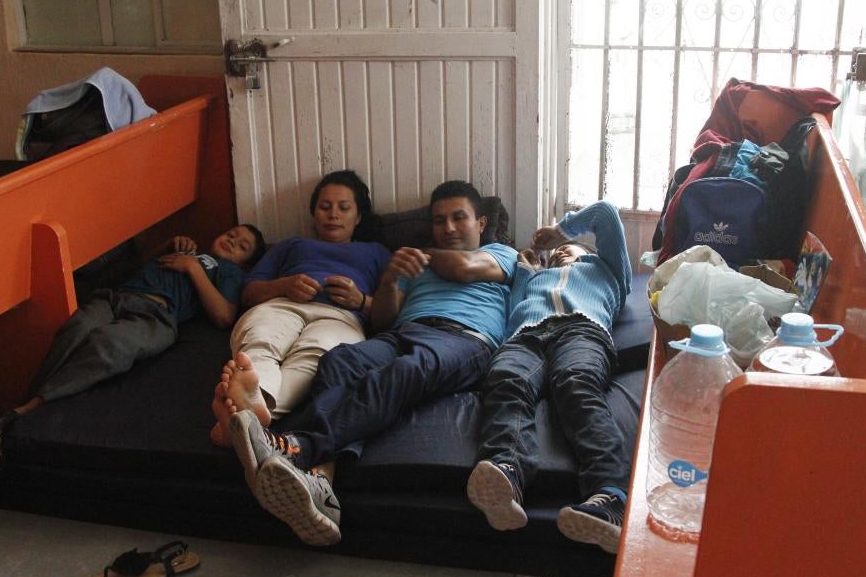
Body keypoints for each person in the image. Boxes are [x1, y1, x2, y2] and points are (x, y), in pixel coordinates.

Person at [223, 180, 517, 546]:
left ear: (482, 223)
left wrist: (417, 254)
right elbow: (381, 321)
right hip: (403, 332)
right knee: (339, 362)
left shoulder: (501, 253)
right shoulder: (412, 266)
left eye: (459, 218)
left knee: (404, 373)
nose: (449, 228)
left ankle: (294, 446)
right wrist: (392, 278)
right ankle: (322, 485)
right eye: (439, 220)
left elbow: (463, 268)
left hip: (464, 338)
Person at [0, 224, 266, 456]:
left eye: (242, 246)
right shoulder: (187, 248)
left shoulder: (227, 271)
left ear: (246, 263)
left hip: (156, 316)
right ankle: (18, 417)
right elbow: (136, 267)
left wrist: (192, 268)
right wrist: (166, 248)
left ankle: (22, 413)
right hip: (117, 298)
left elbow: (224, 316)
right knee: (78, 328)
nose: (232, 241)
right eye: (231, 234)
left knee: (109, 345)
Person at [466, 200, 633, 554]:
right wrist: (526, 272)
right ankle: (506, 474)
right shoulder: (537, 277)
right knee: (506, 380)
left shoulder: (608, 270)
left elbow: (606, 213)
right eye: (554, 252)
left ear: (585, 250)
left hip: (582, 332)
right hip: (526, 336)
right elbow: (512, 315)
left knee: (576, 383)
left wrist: (559, 234)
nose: (558, 254)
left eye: (567, 250)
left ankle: (610, 497)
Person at [210, 170, 391, 448]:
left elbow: (395, 310)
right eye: (325, 207)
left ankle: (248, 412)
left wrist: (362, 301)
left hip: (341, 317)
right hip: (282, 306)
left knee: (317, 357)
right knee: (261, 340)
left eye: (344, 208)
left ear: (358, 217)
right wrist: (283, 285)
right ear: (313, 213)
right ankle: (250, 409)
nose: (333, 215)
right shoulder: (292, 245)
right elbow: (247, 293)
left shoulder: (377, 252)